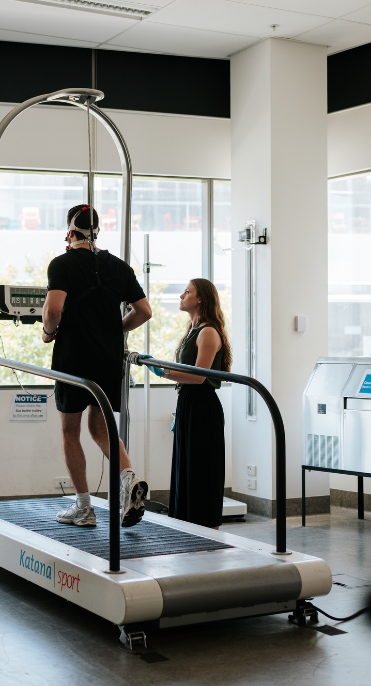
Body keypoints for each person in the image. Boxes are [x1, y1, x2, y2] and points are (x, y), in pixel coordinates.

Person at [42, 204, 153, 528]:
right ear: (97, 231)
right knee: (101, 427)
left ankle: (83, 506)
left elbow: (53, 310)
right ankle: (129, 480)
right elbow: (144, 311)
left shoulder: (62, 264)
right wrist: (112, 331)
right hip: (107, 359)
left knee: (70, 430)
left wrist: (48, 334)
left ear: (70, 232)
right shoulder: (118, 266)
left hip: (73, 359)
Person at [147, 278, 231, 529]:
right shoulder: (192, 330)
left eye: (187, 292)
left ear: (200, 298)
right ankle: (186, 525)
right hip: (188, 402)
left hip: (202, 405)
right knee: (186, 466)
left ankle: (206, 527)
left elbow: (198, 376)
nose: (181, 296)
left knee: (202, 468)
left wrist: (162, 371)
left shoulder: (208, 331)